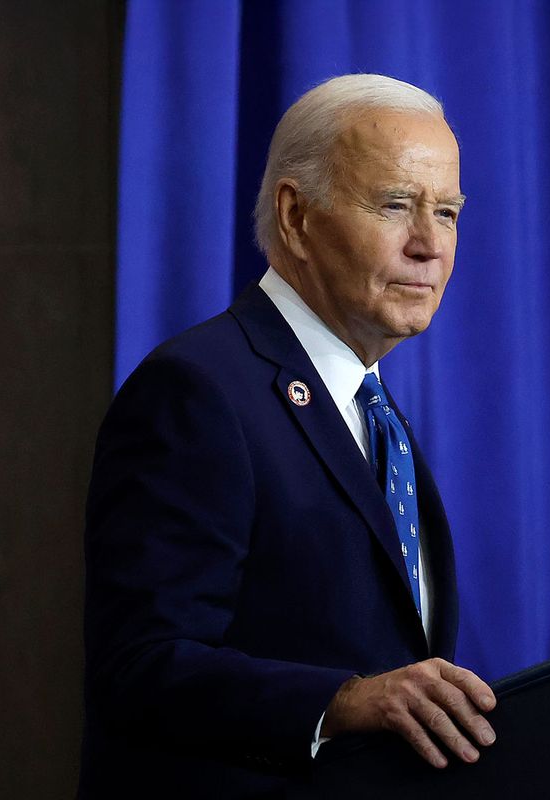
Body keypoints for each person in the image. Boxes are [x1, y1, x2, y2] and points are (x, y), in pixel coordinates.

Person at [80, 74, 495, 797]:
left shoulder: (371, 409)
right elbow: (139, 666)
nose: (430, 245)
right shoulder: (200, 390)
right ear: (297, 217)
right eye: (397, 205)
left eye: (449, 212)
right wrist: (340, 702)